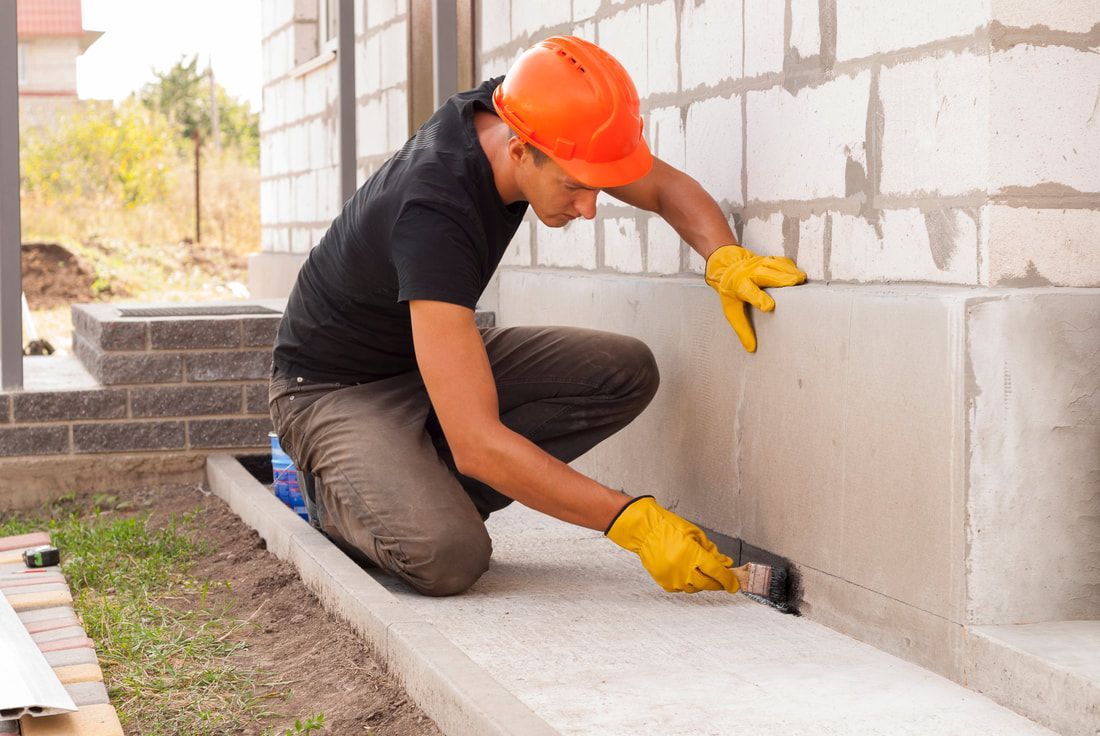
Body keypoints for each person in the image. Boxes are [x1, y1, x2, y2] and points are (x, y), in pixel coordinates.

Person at [268, 35, 806, 598]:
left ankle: (420, 486)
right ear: (520, 150)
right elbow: (476, 443)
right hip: (331, 391)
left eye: (596, 186)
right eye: (575, 187)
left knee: (622, 369)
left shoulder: (528, 114)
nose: (590, 207)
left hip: (420, 362)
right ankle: (339, 496)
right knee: (447, 555)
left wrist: (724, 257)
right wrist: (633, 522)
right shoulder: (433, 215)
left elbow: (663, 186)